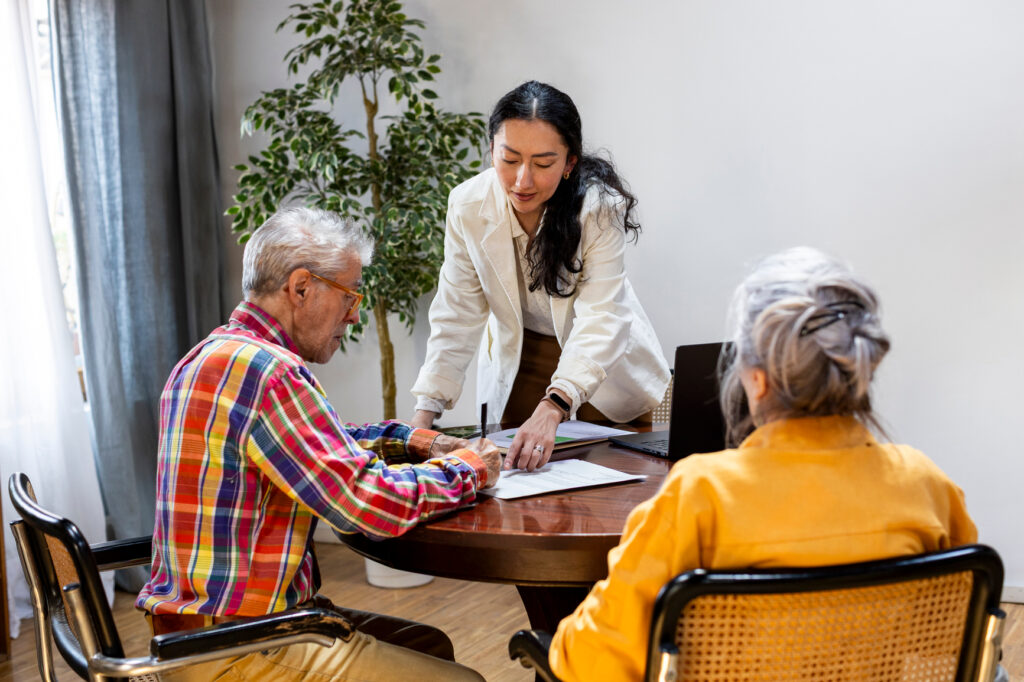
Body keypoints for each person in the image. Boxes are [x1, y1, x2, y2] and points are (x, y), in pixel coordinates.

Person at [548, 247, 980, 681]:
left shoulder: (699, 495)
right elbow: (952, 634)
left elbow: (590, 664)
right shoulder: (925, 485)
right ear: (860, 369)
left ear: (755, 378)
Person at [136, 207, 499, 681]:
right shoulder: (271, 373)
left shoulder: (209, 357)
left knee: (430, 646)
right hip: (244, 647)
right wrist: (471, 467)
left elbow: (326, 445)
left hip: (190, 638)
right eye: (350, 295)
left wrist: (417, 441)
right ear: (301, 286)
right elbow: (367, 504)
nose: (353, 314)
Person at [410, 80, 670, 471]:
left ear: (570, 163)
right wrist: (422, 419)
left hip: (600, 361)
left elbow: (603, 318)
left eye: (544, 163)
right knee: (516, 481)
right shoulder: (467, 205)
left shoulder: (599, 208)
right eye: (509, 158)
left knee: (614, 484)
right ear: (491, 149)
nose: (522, 180)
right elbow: (456, 312)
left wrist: (555, 406)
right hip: (524, 356)